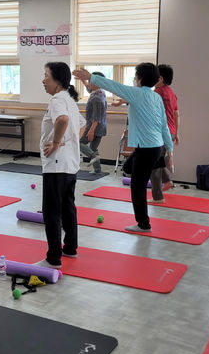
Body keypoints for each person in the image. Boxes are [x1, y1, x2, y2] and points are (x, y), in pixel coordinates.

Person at [74, 64, 173, 232]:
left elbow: (114, 86)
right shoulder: (155, 97)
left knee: (137, 187)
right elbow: (164, 125)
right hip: (155, 147)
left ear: (140, 79)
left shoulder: (136, 93)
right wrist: (169, 150)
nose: (134, 79)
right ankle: (156, 169)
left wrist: (91, 77)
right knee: (127, 167)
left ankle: (144, 224)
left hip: (147, 148)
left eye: (135, 76)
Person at [37, 62, 85, 269]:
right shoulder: (69, 99)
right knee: (67, 208)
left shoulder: (58, 99)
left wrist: (57, 143)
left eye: (46, 75)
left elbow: (63, 120)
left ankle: (53, 258)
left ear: (56, 79)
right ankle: (70, 248)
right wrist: (66, 141)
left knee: (52, 212)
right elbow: (81, 125)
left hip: (57, 166)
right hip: (70, 164)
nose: (43, 79)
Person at [149, 64, 179, 202]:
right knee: (157, 160)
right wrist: (176, 133)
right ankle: (167, 181)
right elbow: (177, 114)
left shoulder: (157, 92)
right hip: (170, 131)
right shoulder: (172, 93)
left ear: (159, 78)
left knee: (153, 164)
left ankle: (158, 197)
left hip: (161, 133)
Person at [79, 71, 107, 174]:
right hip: (101, 126)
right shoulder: (100, 92)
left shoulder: (97, 97)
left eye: (91, 81)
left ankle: (93, 156)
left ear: (97, 83)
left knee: (80, 143)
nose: (89, 83)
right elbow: (88, 87)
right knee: (93, 147)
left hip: (94, 126)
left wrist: (91, 130)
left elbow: (96, 117)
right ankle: (97, 170)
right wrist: (83, 79)